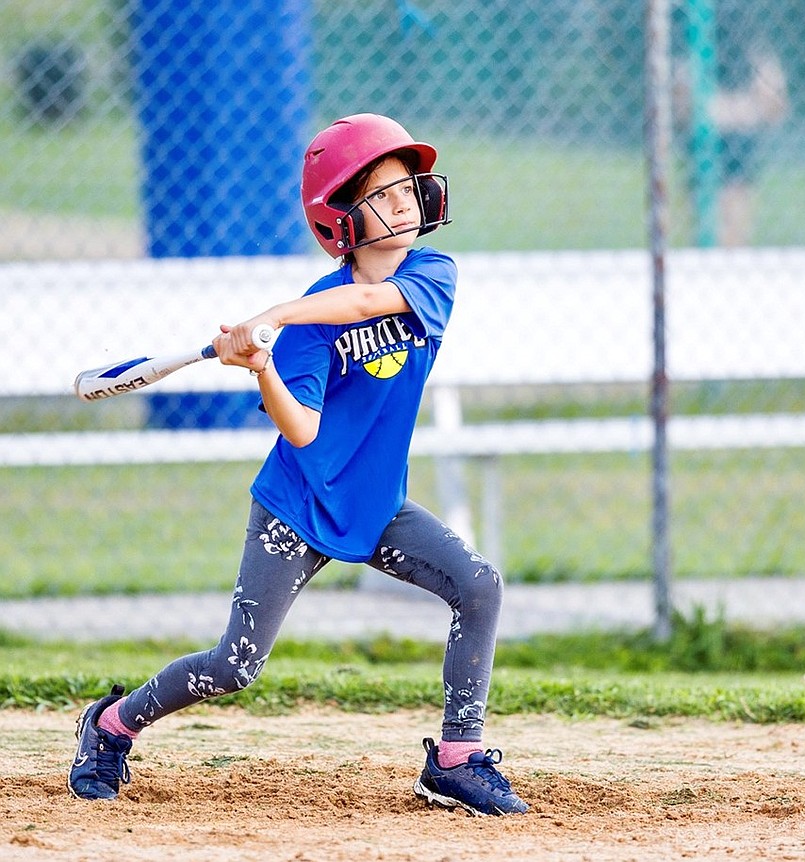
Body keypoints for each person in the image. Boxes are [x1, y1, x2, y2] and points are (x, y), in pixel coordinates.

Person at [66, 112, 528, 817]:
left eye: (407, 187)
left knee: (480, 587)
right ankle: (111, 725)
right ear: (339, 220)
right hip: (297, 507)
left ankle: (458, 760)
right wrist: (262, 365)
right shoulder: (308, 327)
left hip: (377, 506)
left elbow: (372, 299)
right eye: (382, 193)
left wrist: (280, 314)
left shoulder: (433, 274)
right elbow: (304, 432)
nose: (404, 201)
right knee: (233, 666)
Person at [676, 4, 789, 246]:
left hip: (736, 139)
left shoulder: (755, 58)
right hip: (706, 138)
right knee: (708, 223)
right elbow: (683, 108)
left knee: (732, 223)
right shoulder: (694, 60)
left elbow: (776, 107)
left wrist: (737, 110)